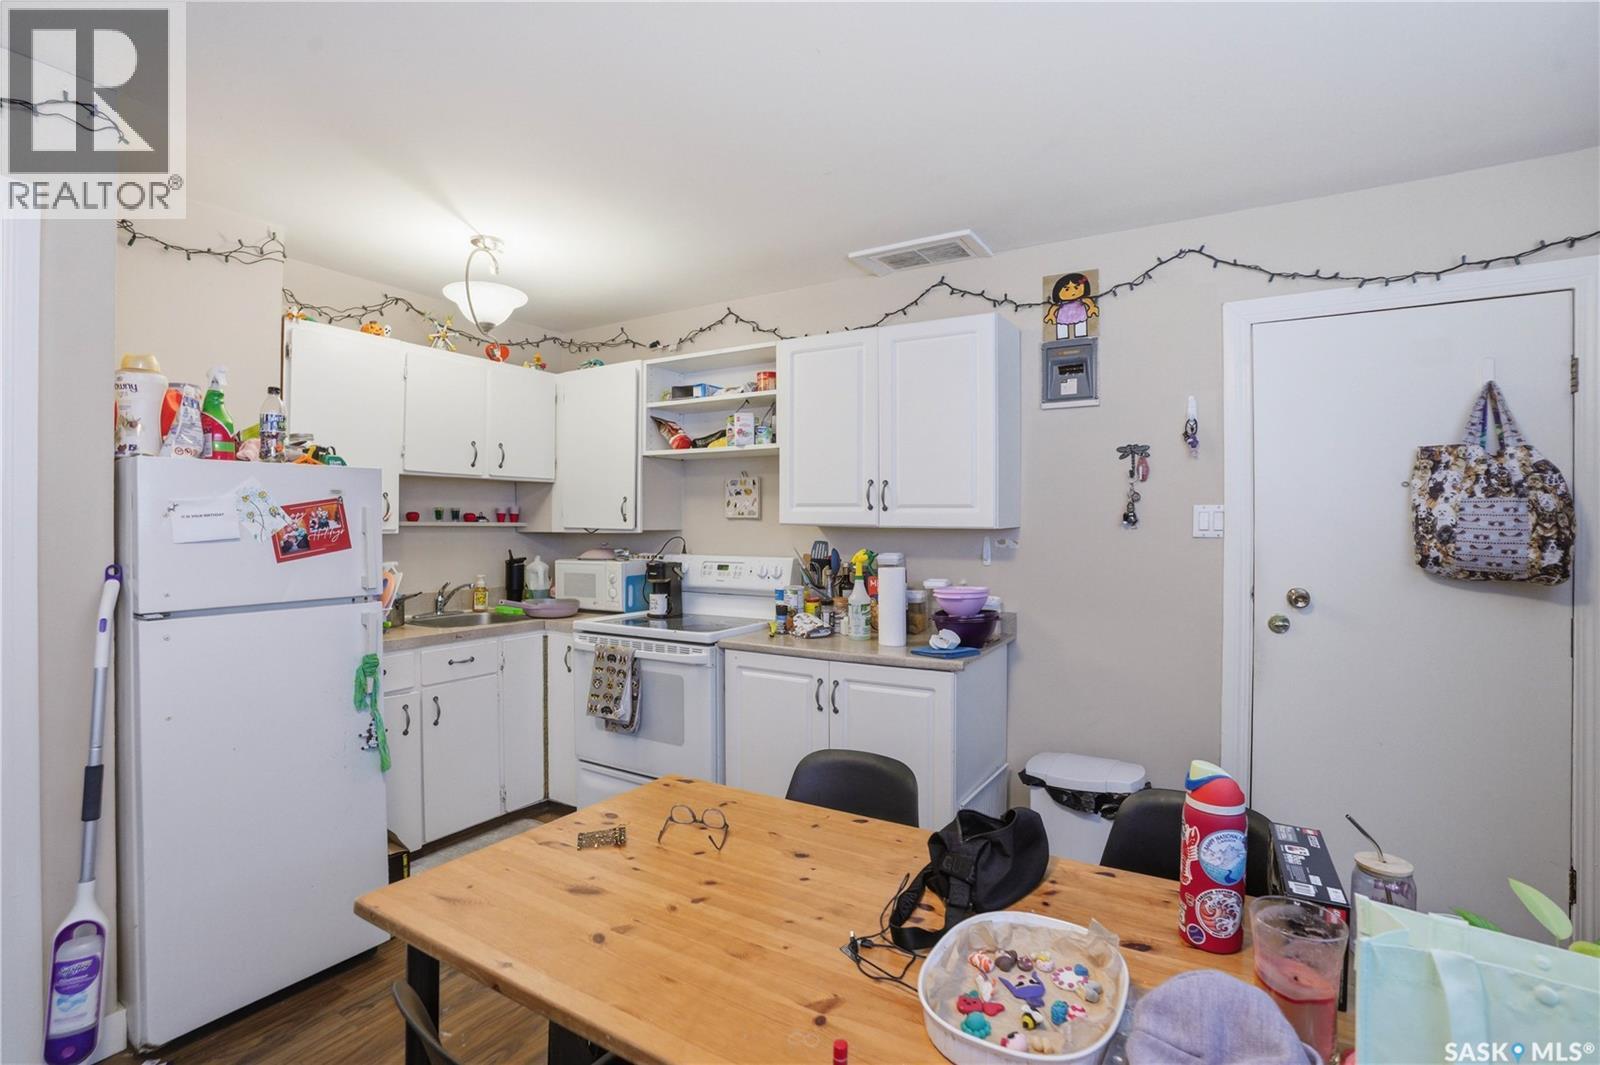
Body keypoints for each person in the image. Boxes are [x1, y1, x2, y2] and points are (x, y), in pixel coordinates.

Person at [1045, 273, 1098, 339]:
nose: (1072, 292)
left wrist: (1092, 307)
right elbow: (1055, 307)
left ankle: (1081, 337)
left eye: (1076, 287)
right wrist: (1051, 315)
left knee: (1080, 328)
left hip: (1079, 315)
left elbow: (1088, 301)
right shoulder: (1061, 303)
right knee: (1062, 329)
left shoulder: (1081, 300)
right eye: (1067, 289)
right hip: (1064, 316)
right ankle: (1062, 339)